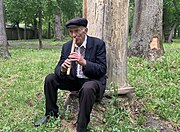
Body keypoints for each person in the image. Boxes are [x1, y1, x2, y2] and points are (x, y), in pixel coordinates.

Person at [34, 17, 107, 132]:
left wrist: (84, 62)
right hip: (74, 80)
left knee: (88, 88)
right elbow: (57, 68)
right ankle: (51, 114)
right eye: (71, 32)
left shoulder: (98, 44)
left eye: (77, 31)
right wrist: (62, 69)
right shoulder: (67, 46)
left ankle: (81, 127)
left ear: (85, 31)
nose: (73, 35)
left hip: (92, 81)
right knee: (50, 79)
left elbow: (102, 69)